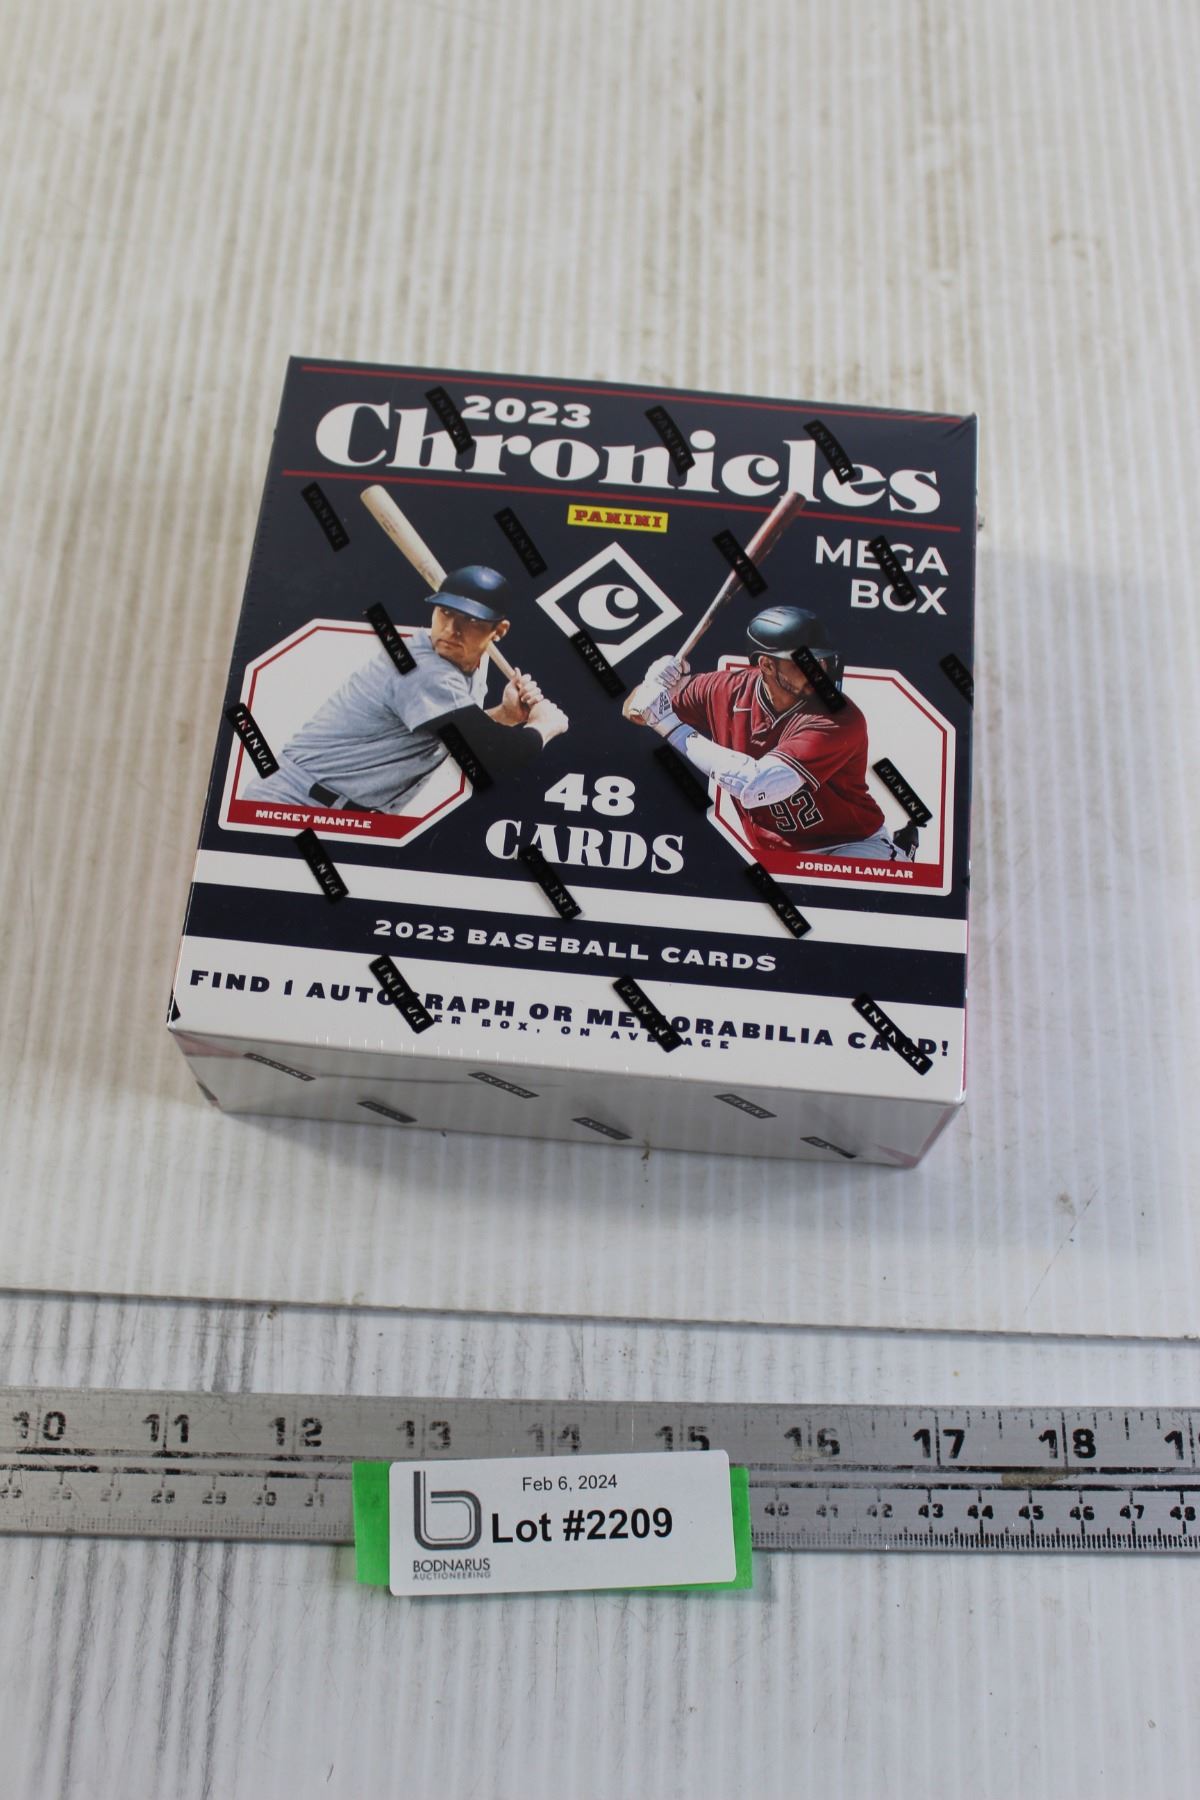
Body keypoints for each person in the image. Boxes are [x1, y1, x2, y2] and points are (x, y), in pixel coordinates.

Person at [243, 565, 568, 814]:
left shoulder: (465, 668)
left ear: (500, 630)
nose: (451, 629)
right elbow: (497, 755)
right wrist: (545, 724)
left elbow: (450, 736)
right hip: (292, 801)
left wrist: (505, 715)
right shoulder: (423, 669)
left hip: (332, 808)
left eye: (471, 621)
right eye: (445, 612)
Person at [625, 604, 915, 861]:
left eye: (821, 661)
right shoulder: (723, 689)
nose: (819, 671)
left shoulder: (839, 716)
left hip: (850, 844)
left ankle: (899, 853)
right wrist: (652, 686)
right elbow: (634, 710)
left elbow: (756, 787)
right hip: (777, 856)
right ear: (766, 664)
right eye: (805, 662)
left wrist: (671, 727)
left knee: (840, 898)